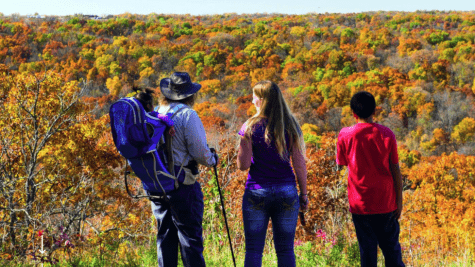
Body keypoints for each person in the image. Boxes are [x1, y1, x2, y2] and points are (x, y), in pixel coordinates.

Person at [237, 80, 308, 267]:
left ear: (262, 100)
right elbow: (299, 164)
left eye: (254, 97)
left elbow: (243, 165)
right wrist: (304, 194)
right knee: (285, 250)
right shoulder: (291, 125)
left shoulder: (250, 126)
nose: (252, 101)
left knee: (253, 249)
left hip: (256, 191)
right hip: (286, 191)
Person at [151, 72, 218, 267]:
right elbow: (200, 153)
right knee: (190, 240)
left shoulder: (156, 112)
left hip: (158, 183)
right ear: (189, 95)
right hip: (183, 184)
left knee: (165, 238)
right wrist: (213, 159)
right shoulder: (188, 115)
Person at [336, 91, 405, 267]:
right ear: (375, 111)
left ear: (353, 113)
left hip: (360, 204)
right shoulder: (387, 134)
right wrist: (399, 200)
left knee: (367, 253)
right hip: (386, 202)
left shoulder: (345, 135)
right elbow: (395, 169)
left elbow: (342, 162)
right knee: (392, 251)